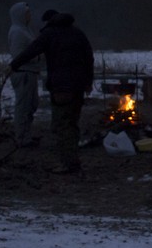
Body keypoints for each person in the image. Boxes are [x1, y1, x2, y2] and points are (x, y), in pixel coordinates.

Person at [10, 9, 94, 174]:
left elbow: (31, 50)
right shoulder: (78, 33)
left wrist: (13, 65)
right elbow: (89, 57)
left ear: (49, 21)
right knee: (72, 123)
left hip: (61, 87)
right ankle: (72, 159)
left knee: (61, 125)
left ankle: (68, 163)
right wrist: (88, 82)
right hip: (78, 86)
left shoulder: (50, 34)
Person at [6, 1, 41, 147]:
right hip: (23, 74)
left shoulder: (26, 30)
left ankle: (26, 135)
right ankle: (21, 138)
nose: (30, 16)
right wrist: (38, 57)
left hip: (30, 72)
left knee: (31, 105)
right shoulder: (17, 32)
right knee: (23, 107)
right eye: (27, 13)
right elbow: (18, 55)